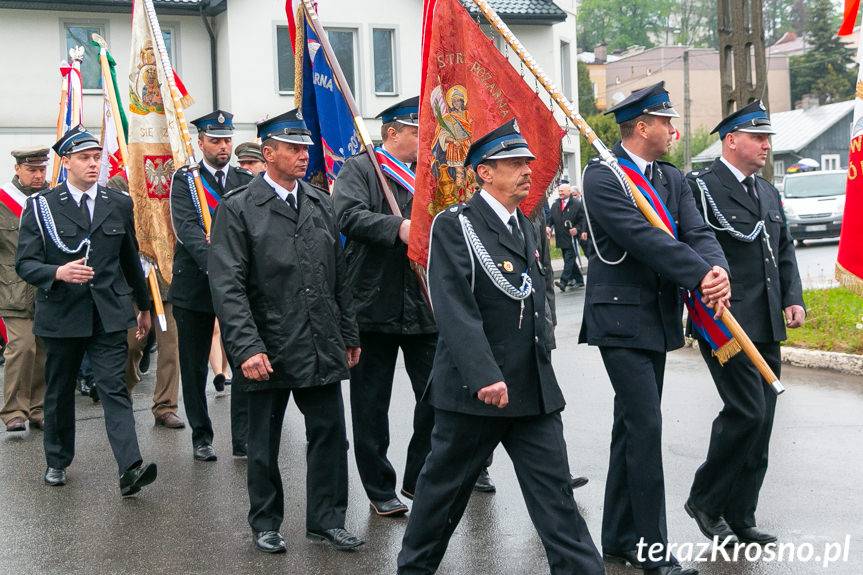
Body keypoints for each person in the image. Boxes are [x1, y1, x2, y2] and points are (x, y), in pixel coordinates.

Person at [397, 120, 604, 575]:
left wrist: (542, 353)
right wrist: (484, 374)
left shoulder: (527, 226)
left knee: (557, 500)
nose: (527, 170)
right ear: (483, 173)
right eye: (514, 163)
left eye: (527, 162)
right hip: (477, 394)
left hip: (530, 389)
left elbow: (535, 298)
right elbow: (453, 307)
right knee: (441, 499)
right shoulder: (456, 227)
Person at [580, 82, 729, 575]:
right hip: (619, 319)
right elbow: (642, 238)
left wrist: (716, 269)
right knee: (646, 427)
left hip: (659, 317)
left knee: (630, 427)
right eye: (666, 122)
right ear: (641, 126)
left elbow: (698, 231)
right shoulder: (602, 177)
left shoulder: (672, 178)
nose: (674, 130)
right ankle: (653, 550)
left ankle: (618, 537)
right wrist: (697, 272)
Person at [209, 109, 365, 555]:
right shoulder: (239, 209)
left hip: (318, 339)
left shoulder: (319, 202)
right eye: (294, 148)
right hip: (268, 345)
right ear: (269, 151)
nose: (303, 156)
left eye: (305, 149)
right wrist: (246, 348)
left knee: (330, 435)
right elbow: (228, 286)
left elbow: (339, 278)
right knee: (264, 441)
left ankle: (327, 519)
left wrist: (348, 334)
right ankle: (265, 521)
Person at [684, 101, 804, 546]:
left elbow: (784, 250)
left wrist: (792, 299)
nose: (766, 146)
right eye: (758, 137)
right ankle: (705, 500)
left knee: (764, 419)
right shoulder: (702, 187)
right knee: (746, 411)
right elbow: (692, 246)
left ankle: (741, 514)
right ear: (731, 140)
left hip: (766, 322)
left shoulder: (767, 192)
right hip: (726, 324)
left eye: (768, 138)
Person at [16, 126, 156, 496]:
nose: (94, 164)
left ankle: (130, 468)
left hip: (108, 312)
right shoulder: (42, 206)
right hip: (62, 314)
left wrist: (144, 306)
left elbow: (129, 259)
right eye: (84, 158)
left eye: (97, 157)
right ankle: (57, 461)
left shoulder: (118, 203)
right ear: (67, 163)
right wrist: (57, 272)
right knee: (59, 390)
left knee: (114, 388)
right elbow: (25, 263)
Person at [169, 110, 252, 461]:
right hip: (196, 287)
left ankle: (243, 438)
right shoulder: (185, 180)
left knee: (244, 360)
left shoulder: (244, 179)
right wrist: (220, 267)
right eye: (216, 140)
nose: (223, 146)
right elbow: (188, 230)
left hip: (235, 287)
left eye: (227, 140)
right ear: (200, 141)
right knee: (193, 365)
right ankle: (201, 437)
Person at [106, 173, 184, 429]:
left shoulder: (164, 176)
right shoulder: (118, 182)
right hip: (131, 284)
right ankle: (124, 393)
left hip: (165, 281)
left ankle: (165, 405)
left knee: (170, 347)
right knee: (131, 345)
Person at [0, 147, 49, 432]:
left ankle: (36, 408)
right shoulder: (4, 202)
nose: (38, 175)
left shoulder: (52, 199)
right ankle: (14, 411)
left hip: (46, 288)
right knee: (22, 348)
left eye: (42, 169)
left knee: (44, 350)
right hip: (13, 290)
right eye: (32, 170)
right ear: (18, 169)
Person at [548, 182, 585, 291]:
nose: (560, 193)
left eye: (562, 191)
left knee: (569, 259)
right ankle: (579, 280)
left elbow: (583, 219)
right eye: (559, 191)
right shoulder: (555, 204)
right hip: (561, 237)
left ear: (569, 192)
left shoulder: (577, 204)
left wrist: (577, 229)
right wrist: (548, 227)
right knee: (569, 260)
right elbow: (551, 218)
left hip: (572, 238)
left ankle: (563, 282)